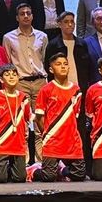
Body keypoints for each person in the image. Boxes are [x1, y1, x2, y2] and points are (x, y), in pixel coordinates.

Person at [32, 52, 86, 182]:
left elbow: (75, 115)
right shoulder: (46, 90)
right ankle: (33, 170)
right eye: (58, 64)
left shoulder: (76, 90)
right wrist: (48, 133)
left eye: (65, 64)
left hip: (72, 140)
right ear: (51, 69)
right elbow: (39, 117)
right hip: (53, 140)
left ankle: (61, 170)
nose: (63, 67)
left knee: (79, 175)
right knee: (49, 177)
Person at [0, 63, 30, 183]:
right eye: (7, 74)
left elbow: (28, 118)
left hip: (18, 144)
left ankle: (13, 170)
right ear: (0, 79)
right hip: (1, 143)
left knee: (20, 178)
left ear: (18, 77)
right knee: (0, 179)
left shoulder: (23, 98)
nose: (11, 77)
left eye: (14, 74)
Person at [2, 3, 48, 98]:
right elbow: (7, 62)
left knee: (41, 108)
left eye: (28, 13)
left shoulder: (42, 36)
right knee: (22, 108)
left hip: (40, 82)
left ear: (32, 16)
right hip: (20, 83)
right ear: (17, 18)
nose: (26, 16)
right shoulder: (8, 38)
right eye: (22, 14)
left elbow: (44, 59)